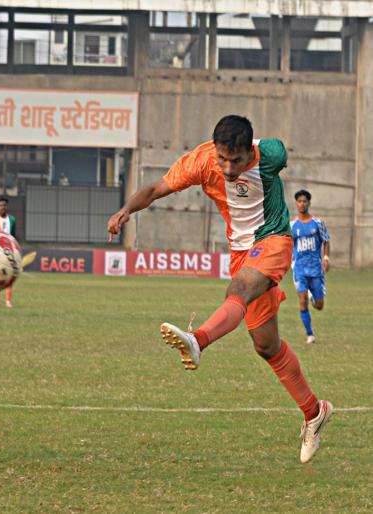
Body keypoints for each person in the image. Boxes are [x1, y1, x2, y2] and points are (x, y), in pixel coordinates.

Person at [107, 115, 332, 464]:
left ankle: (197, 340)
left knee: (238, 290)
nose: (228, 168)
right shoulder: (201, 161)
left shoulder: (270, 155)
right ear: (215, 150)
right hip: (241, 252)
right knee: (266, 345)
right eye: (222, 159)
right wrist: (125, 210)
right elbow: (155, 189)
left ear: (250, 153)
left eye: (236, 161)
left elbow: (275, 151)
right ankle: (314, 412)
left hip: (274, 239)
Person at [291, 190, 330, 344]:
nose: (302, 204)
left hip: (315, 269)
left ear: (309, 203)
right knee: (302, 301)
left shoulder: (318, 223)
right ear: (296, 204)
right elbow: (288, 246)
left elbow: (326, 240)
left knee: (319, 306)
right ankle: (310, 335)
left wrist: (325, 258)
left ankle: (312, 295)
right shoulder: (292, 226)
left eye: (304, 201)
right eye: (299, 201)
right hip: (299, 269)